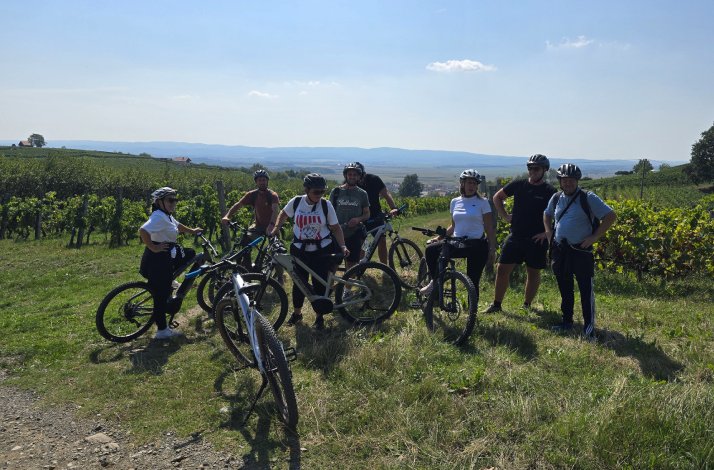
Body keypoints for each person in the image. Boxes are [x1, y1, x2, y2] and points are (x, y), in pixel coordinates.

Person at [544, 164, 617, 339]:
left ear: (577, 181)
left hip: (581, 251)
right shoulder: (556, 198)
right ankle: (566, 322)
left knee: (586, 290)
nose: (567, 183)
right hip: (561, 250)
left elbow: (610, 216)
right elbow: (547, 215)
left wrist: (594, 237)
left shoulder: (587, 197)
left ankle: (589, 329)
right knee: (565, 288)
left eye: (571, 180)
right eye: (564, 180)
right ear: (560, 181)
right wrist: (548, 233)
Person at [269, 173, 350, 330]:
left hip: (322, 250)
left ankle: (320, 317)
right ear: (306, 190)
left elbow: (335, 227)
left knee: (319, 283)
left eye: (322, 192)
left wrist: (343, 246)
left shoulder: (326, 205)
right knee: (299, 283)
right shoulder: (297, 202)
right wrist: (276, 229)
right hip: (300, 250)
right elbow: (284, 214)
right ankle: (297, 314)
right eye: (316, 192)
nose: (320, 195)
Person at [484, 154, 556, 313]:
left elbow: (560, 213)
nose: (532, 171)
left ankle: (527, 306)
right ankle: (496, 305)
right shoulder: (519, 184)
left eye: (536, 168)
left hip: (536, 239)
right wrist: (504, 215)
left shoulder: (550, 191)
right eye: (530, 168)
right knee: (502, 269)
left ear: (544, 170)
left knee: (533, 272)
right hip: (515, 236)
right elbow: (497, 197)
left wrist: (547, 233)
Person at [420, 169, 496, 299]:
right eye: (469, 183)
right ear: (462, 183)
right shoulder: (455, 202)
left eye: (474, 183)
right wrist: (439, 238)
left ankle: (472, 312)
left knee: (473, 280)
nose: (472, 186)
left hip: (476, 244)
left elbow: (489, 227)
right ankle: (435, 282)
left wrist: (492, 248)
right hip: (457, 242)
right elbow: (454, 226)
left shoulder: (482, 202)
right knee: (431, 250)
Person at [139, 187, 202, 340]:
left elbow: (178, 225)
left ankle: (172, 280)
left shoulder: (166, 215)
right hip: (157, 260)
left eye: (175, 199)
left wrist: (193, 231)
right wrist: (153, 247)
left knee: (191, 253)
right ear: (159, 202)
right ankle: (162, 331)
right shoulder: (159, 217)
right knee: (160, 296)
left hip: (166, 255)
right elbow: (143, 230)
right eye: (170, 200)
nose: (174, 203)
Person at [221, 169, 280, 267]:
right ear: (256, 182)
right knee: (245, 242)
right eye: (259, 180)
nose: (262, 182)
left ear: (267, 181)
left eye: (264, 180)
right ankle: (247, 266)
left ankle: (279, 277)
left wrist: (271, 226)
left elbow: (275, 212)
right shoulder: (253, 194)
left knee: (276, 251)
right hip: (258, 226)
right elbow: (238, 204)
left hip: (272, 226)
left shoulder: (272, 195)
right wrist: (227, 216)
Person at [355, 162, 399, 264]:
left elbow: (386, 193)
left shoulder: (374, 179)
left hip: (376, 216)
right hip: (361, 217)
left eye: (359, 176)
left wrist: (393, 207)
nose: (358, 179)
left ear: (363, 174)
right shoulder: (352, 182)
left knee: (382, 242)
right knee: (364, 244)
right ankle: (357, 269)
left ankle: (385, 268)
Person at [329, 163, 370, 270]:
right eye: (350, 174)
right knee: (333, 265)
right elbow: (328, 211)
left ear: (359, 177)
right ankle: (330, 287)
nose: (352, 177)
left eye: (355, 175)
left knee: (352, 266)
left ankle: (346, 287)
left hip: (354, 234)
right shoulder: (336, 192)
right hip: (337, 234)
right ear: (345, 175)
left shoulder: (362, 194)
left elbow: (367, 213)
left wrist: (358, 219)